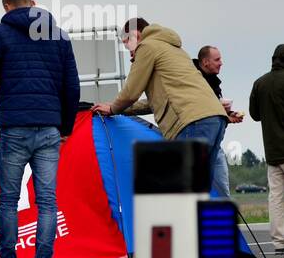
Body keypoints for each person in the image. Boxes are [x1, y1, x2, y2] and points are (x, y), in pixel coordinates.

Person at [0, 0, 80, 258]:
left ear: (7, 6)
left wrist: (1, 67)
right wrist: (66, 127)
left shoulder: (0, 33)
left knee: (8, 200)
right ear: (32, 3)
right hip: (49, 128)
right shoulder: (57, 35)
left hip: (14, 127)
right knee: (47, 201)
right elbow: (72, 87)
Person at [92, 19, 228, 192]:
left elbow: (131, 91)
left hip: (191, 121)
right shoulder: (173, 48)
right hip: (214, 118)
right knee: (201, 188)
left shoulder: (147, 47)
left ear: (136, 35)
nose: (127, 48)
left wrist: (112, 109)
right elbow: (155, 101)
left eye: (127, 42)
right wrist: (119, 107)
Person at [248, 44, 284, 258]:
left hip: (272, 151)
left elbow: (254, 114)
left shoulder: (260, 83)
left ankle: (280, 241)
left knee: (277, 198)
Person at [193, 45, 243, 197]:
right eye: (217, 59)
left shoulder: (214, 82)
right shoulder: (193, 81)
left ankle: (224, 217)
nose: (221, 63)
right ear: (205, 62)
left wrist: (227, 115)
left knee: (222, 189)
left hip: (215, 143)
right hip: (197, 143)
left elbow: (211, 114)